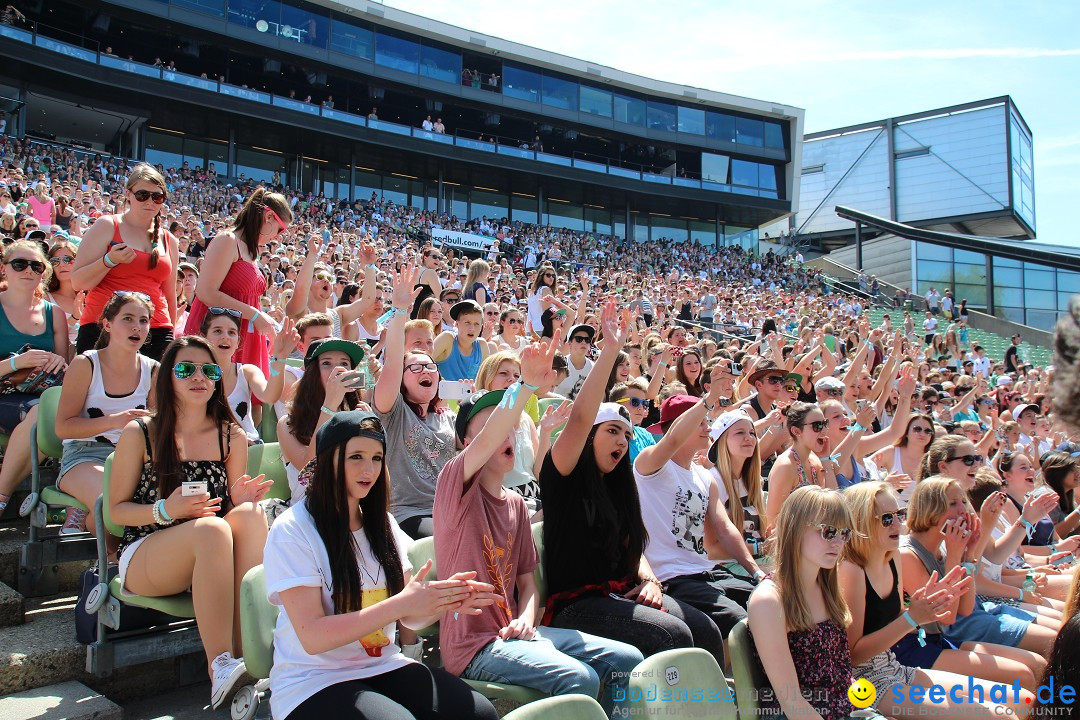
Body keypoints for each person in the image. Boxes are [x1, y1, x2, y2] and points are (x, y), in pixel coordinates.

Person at [435, 338, 642, 714]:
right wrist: (526, 386)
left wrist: (526, 621)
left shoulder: (516, 504)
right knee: (582, 678)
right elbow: (493, 432)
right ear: (467, 442)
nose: (509, 432)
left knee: (627, 659)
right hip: (473, 647)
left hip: (518, 632)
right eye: (495, 428)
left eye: (514, 426)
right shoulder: (454, 486)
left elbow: (529, 585)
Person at [263, 410, 499, 720]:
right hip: (312, 681)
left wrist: (444, 600)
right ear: (328, 460)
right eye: (356, 457)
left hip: (382, 664)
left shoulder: (383, 524)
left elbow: (410, 618)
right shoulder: (293, 530)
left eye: (376, 458)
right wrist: (398, 605)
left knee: (479, 714)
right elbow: (313, 637)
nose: (369, 469)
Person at [539, 302, 722, 661]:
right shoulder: (563, 475)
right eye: (611, 431)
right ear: (590, 437)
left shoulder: (620, 488)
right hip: (576, 604)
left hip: (624, 590)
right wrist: (609, 351)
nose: (623, 440)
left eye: (626, 433)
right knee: (674, 635)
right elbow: (578, 419)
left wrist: (650, 581)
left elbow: (634, 548)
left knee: (706, 629)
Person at [108, 336, 269, 709]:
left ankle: (247, 657)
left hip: (207, 550)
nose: (199, 376)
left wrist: (237, 501)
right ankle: (220, 665)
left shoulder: (232, 435)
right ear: (168, 378)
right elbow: (116, 511)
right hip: (146, 552)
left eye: (208, 370)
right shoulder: (142, 432)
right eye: (186, 369)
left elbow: (224, 514)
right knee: (212, 530)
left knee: (249, 515)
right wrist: (166, 510)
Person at [840, 482, 1039, 708]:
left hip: (900, 662)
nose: (897, 523)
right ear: (861, 523)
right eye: (887, 518)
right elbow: (853, 655)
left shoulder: (891, 557)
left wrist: (967, 556)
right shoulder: (856, 568)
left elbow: (959, 610)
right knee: (1005, 700)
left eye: (899, 515)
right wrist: (913, 617)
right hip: (873, 679)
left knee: (1024, 699)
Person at [634, 396, 765, 665]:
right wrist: (708, 398)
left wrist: (756, 572)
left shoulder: (705, 476)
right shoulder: (651, 464)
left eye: (708, 422)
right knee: (742, 622)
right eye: (701, 422)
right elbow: (670, 442)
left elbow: (725, 528)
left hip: (709, 572)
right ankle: (735, 690)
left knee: (769, 603)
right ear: (678, 425)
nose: (708, 428)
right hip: (674, 579)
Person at [746, 486, 858, 720]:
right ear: (795, 530)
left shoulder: (827, 586)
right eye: (828, 532)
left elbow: (843, 676)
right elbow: (791, 701)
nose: (838, 542)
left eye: (844, 533)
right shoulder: (769, 601)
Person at [54, 293, 156, 539]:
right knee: (114, 506)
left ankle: (90, 519)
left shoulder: (153, 369)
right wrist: (115, 421)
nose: (137, 327)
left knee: (145, 504)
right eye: (128, 319)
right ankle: (109, 564)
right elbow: (63, 428)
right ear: (107, 324)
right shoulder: (85, 364)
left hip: (134, 459)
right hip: (84, 454)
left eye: (143, 321)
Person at [373, 265, 456, 539]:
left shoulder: (447, 416)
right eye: (416, 368)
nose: (425, 371)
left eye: (430, 367)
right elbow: (394, 364)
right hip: (409, 513)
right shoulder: (393, 412)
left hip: (450, 508)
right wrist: (399, 312)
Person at [71, 164, 178, 359]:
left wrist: (172, 332)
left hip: (156, 329)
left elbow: (170, 296)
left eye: (157, 197)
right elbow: (78, 282)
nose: (150, 202)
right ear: (128, 194)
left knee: (153, 389)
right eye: (142, 195)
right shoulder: (107, 225)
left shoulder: (169, 240)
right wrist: (109, 260)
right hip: (105, 326)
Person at [184, 188, 292, 375]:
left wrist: (263, 322)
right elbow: (205, 292)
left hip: (242, 335)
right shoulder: (227, 240)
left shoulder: (250, 250)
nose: (278, 237)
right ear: (268, 217)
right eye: (279, 229)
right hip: (218, 335)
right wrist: (255, 315)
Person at [0, 240, 69, 515]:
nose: (28, 270)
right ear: (5, 269)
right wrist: (18, 362)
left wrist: (56, 361)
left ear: (44, 272)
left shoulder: (54, 314)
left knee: (48, 412)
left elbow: (66, 369)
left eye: (36, 265)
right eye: (20, 264)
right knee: (44, 415)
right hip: (5, 395)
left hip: (40, 395)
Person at [278, 338, 365, 503]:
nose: (338, 370)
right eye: (326, 363)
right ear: (312, 372)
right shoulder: (287, 423)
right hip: (309, 510)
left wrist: (372, 431)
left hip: (353, 507)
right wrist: (329, 405)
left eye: (345, 364)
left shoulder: (358, 413)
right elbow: (308, 469)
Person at [201, 308, 299, 443]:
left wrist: (280, 358)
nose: (225, 337)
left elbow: (270, 396)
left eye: (231, 332)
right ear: (203, 338)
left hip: (248, 448)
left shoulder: (247, 372)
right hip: (208, 448)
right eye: (217, 331)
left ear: (237, 342)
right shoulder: (193, 374)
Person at [765, 402, 835, 533]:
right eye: (817, 426)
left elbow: (833, 505)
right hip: (792, 542)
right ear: (796, 431)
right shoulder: (785, 466)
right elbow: (773, 522)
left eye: (824, 423)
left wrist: (826, 461)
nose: (824, 431)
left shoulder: (815, 461)